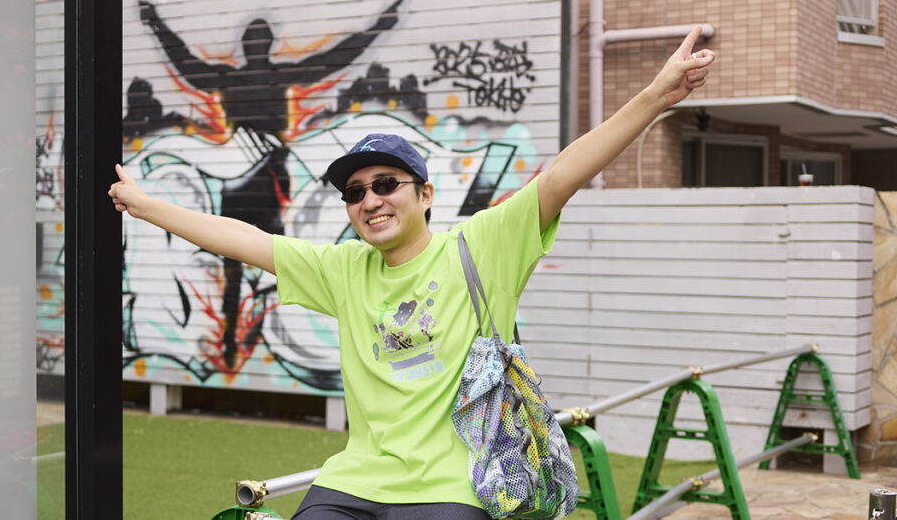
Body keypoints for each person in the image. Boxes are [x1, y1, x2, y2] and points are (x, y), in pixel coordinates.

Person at [109, 26, 715, 518]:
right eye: (355, 192)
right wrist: (145, 205)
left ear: (424, 194)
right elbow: (246, 241)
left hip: (455, 488)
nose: (370, 200)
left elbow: (560, 176)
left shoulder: (482, 246)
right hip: (353, 482)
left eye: (385, 184)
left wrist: (654, 96)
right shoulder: (343, 268)